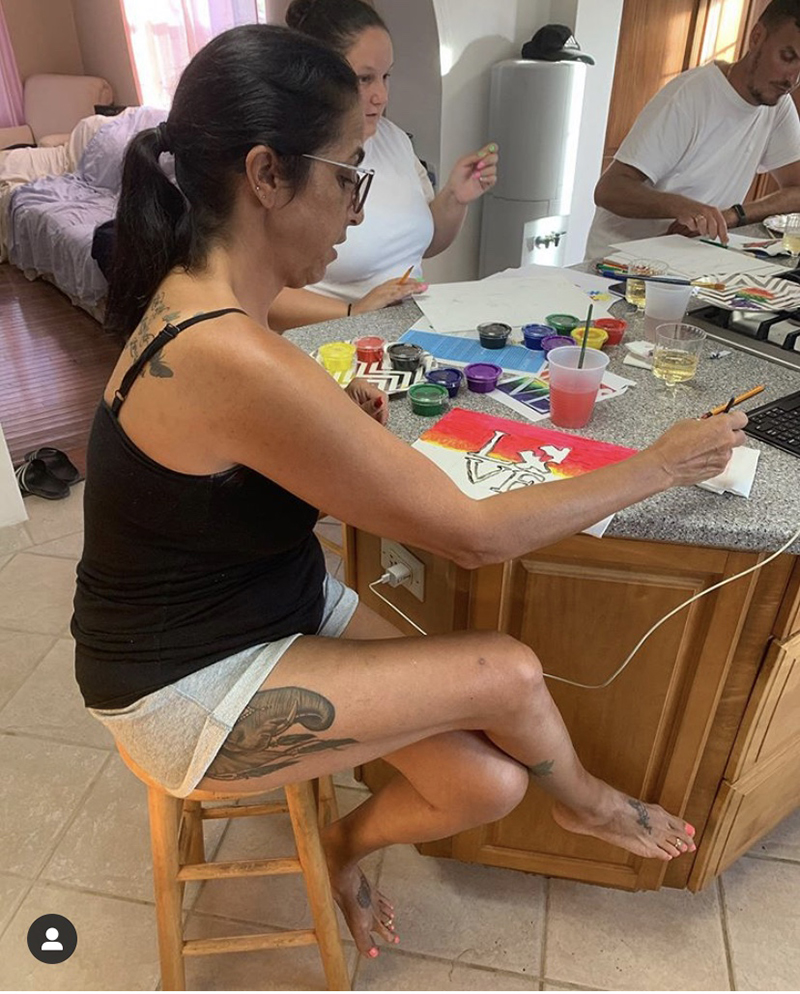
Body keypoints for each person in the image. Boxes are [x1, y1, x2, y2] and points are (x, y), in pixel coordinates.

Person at [72, 24, 747, 960]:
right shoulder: (226, 350)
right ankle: (590, 806)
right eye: (348, 175)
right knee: (508, 671)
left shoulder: (208, 302)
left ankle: (340, 849)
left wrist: (328, 437)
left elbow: (215, 491)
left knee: (488, 784)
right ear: (267, 174)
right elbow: (473, 537)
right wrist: (661, 464)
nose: (355, 211)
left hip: (263, 604)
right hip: (178, 683)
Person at [266, 0, 499, 331]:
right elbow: (254, 289)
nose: (381, 96)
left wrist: (454, 197)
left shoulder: (395, 139)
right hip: (331, 341)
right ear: (315, 78)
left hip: (408, 333)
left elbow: (422, 243)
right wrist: (352, 312)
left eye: (386, 76)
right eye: (364, 79)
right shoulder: (286, 163)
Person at [586, 0, 800, 260]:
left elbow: (797, 189)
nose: (792, 79)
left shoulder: (778, 106)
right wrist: (683, 207)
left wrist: (733, 215)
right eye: (787, 57)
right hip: (617, 263)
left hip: (689, 260)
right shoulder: (689, 97)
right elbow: (609, 189)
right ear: (756, 37)